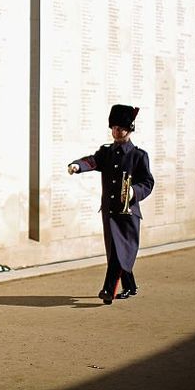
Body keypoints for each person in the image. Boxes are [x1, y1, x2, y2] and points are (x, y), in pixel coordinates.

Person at [68, 104, 154, 304]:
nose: (117, 132)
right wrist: (77, 166)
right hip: (110, 212)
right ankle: (130, 285)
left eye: (121, 128)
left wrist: (134, 191)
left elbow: (148, 183)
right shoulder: (106, 152)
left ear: (130, 129)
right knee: (116, 252)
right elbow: (92, 161)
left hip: (128, 214)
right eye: (114, 128)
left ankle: (108, 291)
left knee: (119, 252)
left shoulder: (139, 156)